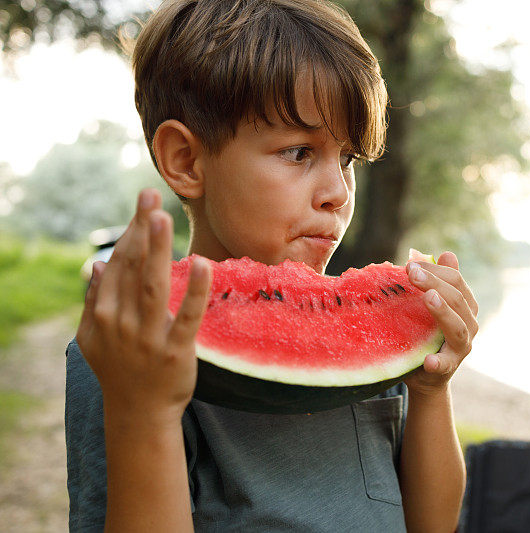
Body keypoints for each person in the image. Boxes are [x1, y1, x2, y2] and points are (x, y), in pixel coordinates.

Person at [65, 0, 480, 531]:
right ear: (187, 161)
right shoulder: (128, 346)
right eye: (299, 152)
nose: (337, 193)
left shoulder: (368, 343)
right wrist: (144, 413)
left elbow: (433, 525)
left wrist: (429, 389)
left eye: (347, 159)